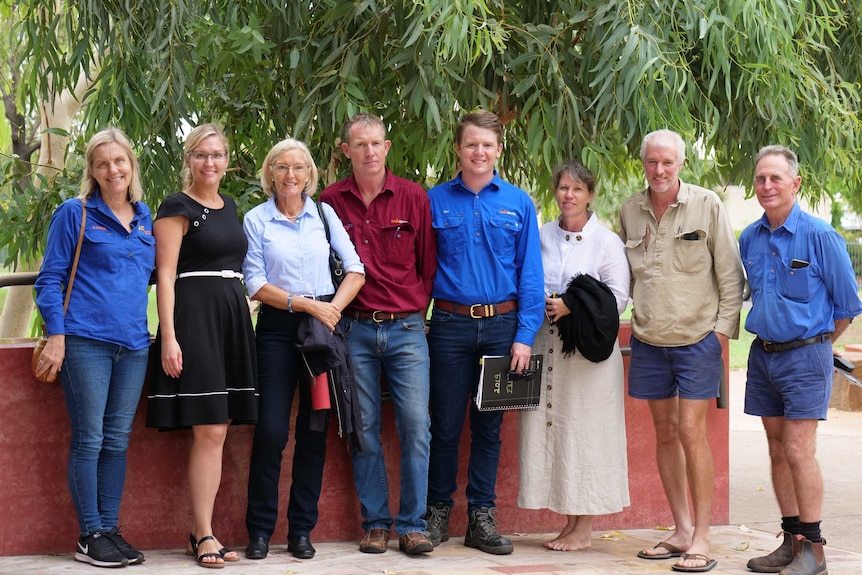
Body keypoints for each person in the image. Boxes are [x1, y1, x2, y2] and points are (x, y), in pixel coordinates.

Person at [619, 129, 744, 573]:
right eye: (652, 161)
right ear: (644, 163)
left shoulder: (707, 205)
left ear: (681, 165)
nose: (659, 170)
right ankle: (681, 529)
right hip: (650, 341)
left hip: (697, 341)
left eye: (667, 162)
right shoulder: (630, 210)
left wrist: (721, 336)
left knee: (692, 432)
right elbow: (625, 279)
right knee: (666, 433)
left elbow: (731, 276)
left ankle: (704, 538)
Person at [425, 110, 544, 555]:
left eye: (487, 145)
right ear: (458, 148)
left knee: (490, 429)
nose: (479, 152)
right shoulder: (434, 201)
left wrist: (525, 335)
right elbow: (423, 270)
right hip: (450, 326)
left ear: (498, 149)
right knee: (446, 427)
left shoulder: (518, 203)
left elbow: (530, 274)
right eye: (471, 144)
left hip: (502, 329)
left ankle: (481, 517)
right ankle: (436, 512)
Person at [34, 128, 155, 568]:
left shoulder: (146, 220)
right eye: (102, 163)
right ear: (92, 170)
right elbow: (50, 279)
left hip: (135, 346)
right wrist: (58, 335)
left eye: (119, 161)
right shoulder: (76, 213)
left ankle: (109, 527)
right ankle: (90, 534)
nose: (112, 170)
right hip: (85, 341)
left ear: (131, 165)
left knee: (117, 441)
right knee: (90, 439)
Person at [740, 146, 862, 575]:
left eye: (775, 178)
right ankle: (791, 543)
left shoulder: (820, 236)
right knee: (776, 449)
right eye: (760, 179)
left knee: (797, 449)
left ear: (796, 184)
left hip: (806, 356)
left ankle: (815, 550)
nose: (767, 186)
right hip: (763, 358)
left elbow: (847, 306)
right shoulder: (749, 238)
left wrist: (817, 345)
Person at [242, 138, 365, 561]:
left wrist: (329, 309)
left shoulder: (325, 216)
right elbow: (254, 283)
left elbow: (355, 270)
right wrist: (304, 303)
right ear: (270, 174)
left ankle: (300, 530)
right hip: (277, 330)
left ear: (309, 175)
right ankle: (259, 530)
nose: (290, 175)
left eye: (298, 168)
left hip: (320, 334)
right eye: (281, 167)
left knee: (314, 431)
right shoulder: (256, 220)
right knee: (272, 430)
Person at [320, 113, 437, 555]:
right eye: (359, 144)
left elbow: (428, 267)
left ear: (387, 147)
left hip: (407, 330)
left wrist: (412, 310)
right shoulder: (330, 201)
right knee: (363, 428)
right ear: (345, 150)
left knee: (416, 426)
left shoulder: (412, 198)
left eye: (376, 143)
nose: (369, 151)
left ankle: (412, 525)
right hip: (354, 331)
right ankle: (376, 524)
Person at [146, 123, 258, 569]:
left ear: (227, 159)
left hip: (231, 318)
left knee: (220, 428)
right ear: (187, 160)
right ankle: (205, 534)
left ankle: (200, 532)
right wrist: (169, 336)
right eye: (200, 155)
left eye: (217, 155)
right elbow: (166, 275)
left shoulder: (230, 205)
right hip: (195, 320)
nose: (209, 163)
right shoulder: (176, 206)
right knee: (209, 429)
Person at [518, 161, 630, 551]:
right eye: (563, 188)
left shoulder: (607, 242)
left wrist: (571, 305)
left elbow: (618, 298)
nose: (569, 195)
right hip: (547, 347)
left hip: (588, 354)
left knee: (587, 434)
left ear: (590, 194)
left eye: (577, 189)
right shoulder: (542, 235)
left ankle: (585, 527)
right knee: (557, 429)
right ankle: (570, 522)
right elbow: (527, 278)